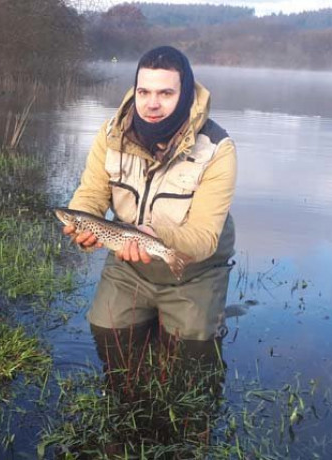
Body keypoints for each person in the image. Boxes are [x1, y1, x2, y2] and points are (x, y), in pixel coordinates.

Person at [63, 46, 237, 374]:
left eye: (165, 93)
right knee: (106, 331)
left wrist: (155, 237)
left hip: (194, 270)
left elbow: (203, 238)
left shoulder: (217, 149)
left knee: (193, 356)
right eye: (144, 91)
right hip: (128, 262)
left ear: (184, 95)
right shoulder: (111, 133)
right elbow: (91, 194)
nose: (152, 103)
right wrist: (81, 220)